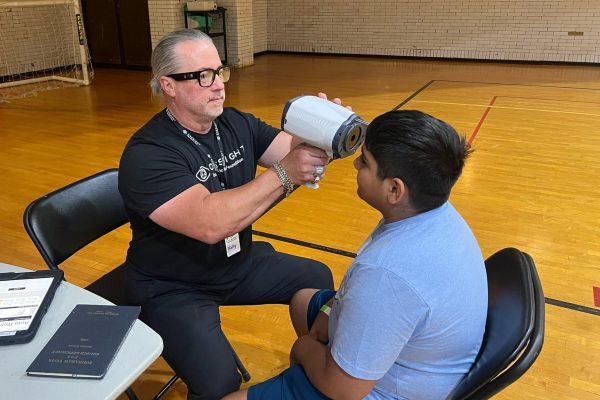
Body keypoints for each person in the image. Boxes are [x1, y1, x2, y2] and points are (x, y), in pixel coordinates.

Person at [118, 28, 337, 400]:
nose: (218, 85)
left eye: (219, 71)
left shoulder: (233, 123)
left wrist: (326, 132)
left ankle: (314, 371)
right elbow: (211, 224)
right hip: (173, 286)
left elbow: (291, 151)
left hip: (237, 263)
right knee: (220, 385)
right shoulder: (148, 154)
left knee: (316, 279)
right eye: (203, 76)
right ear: (168, 85)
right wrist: (287, 171)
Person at [223, 110, 488, 400]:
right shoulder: (429, 212)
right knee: (303, 301)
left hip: (379, 390)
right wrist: (329, 311)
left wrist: (306, 349)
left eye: (365, 161)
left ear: (394, 189)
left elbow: (344, 389)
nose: (355, 164)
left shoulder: (386, 274)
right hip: (415, 357)